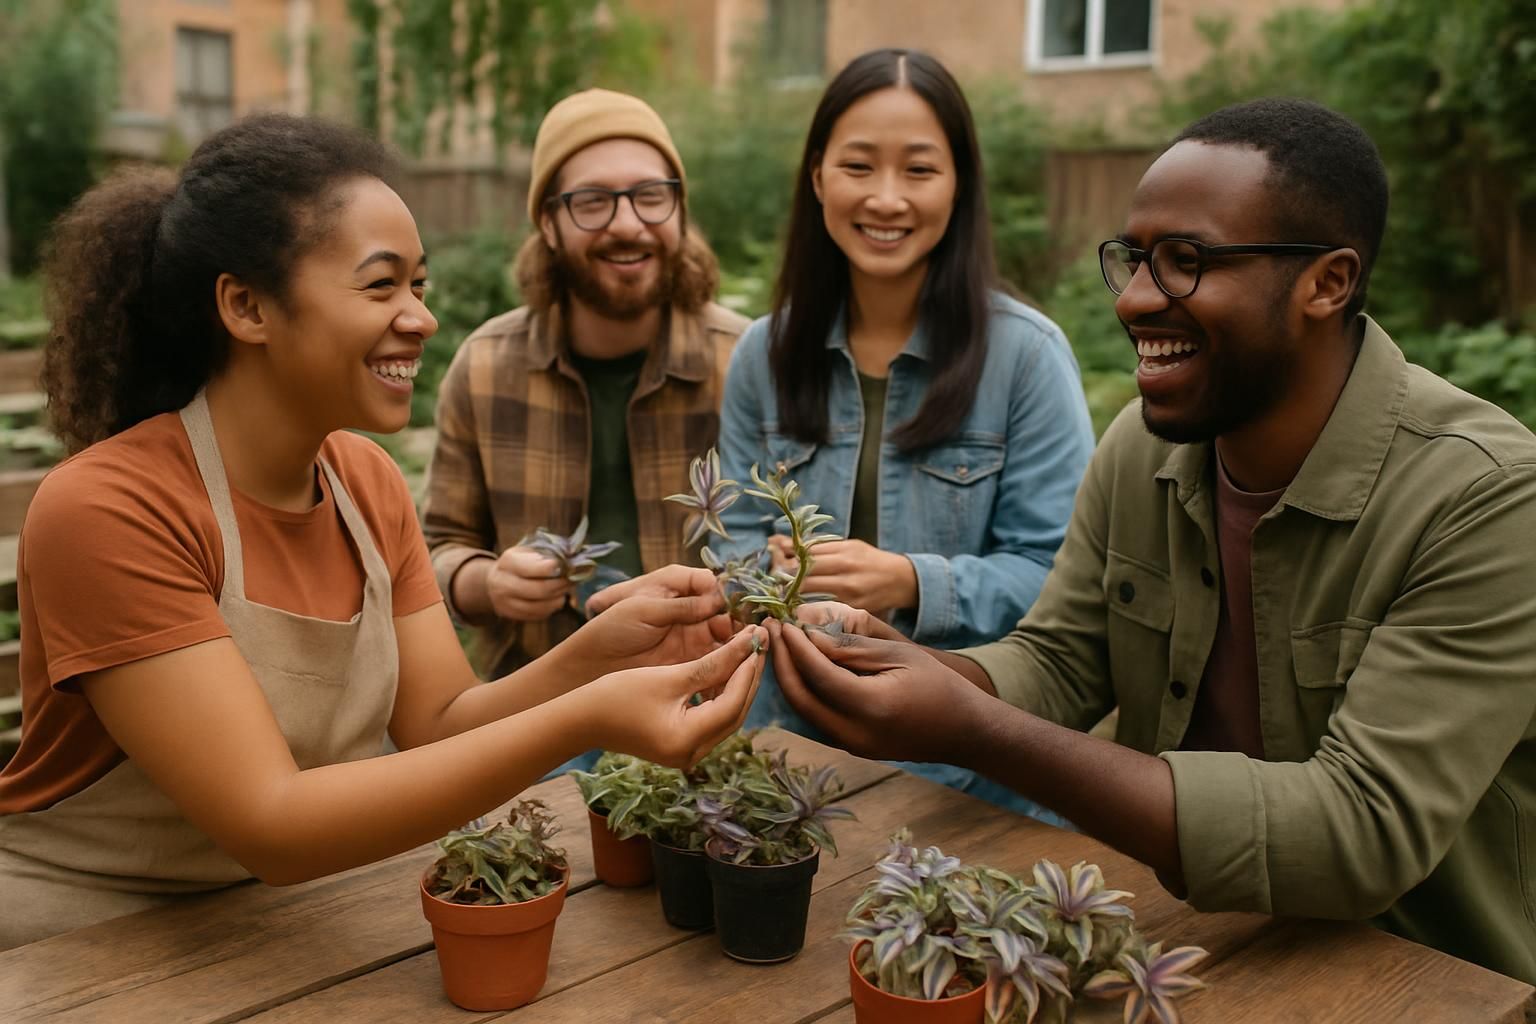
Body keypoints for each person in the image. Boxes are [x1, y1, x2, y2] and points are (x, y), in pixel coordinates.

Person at [767, 97, 1536, 990]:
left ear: (1327, 283)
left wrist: (975, 729)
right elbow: (1060, 660)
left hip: (1421, 979)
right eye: (1135, 259)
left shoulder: (1488, 498)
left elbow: (1359, 831)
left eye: (1187, 263)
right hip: (1171, 946)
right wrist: (913, 672)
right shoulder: (1146, 444)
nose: (1135, 299)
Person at [0, 113, 766, 950]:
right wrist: (586, 718)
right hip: (85, 944)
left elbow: (439, 722)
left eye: (419, 287)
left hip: (295, 926)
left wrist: (598, 655)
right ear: (247, 306)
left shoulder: (364, 483)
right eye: (380, 286)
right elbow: (273, 823)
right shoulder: (110, 510)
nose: (421, 319)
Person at [713, 49, 1094, 819]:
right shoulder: (763, 354)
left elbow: (1065, 583)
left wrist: (911, 582)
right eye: (858, 166)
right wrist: (772, 590)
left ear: (959, 185)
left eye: (919, 169)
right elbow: (733, 542)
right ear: (818, 177)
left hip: (969, 774)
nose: (886, 198)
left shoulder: (1027, 358)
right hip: (787, 757)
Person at [423, 89, 748, 685]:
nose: (627, 224)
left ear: (679, 209)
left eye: (651, 196)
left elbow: (797, 548)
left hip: (713, 699)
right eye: (592, 201)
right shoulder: (485, 367)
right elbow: (436, 550)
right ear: (548, 222)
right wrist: (489, 583)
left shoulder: (746, 364)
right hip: (536, 703)